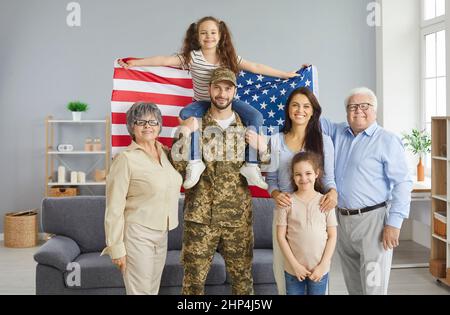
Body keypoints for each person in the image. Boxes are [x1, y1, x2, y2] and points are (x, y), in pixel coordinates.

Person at [118, 16, 300, 190]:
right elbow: (164, 60)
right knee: (186, 117)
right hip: (202, 102)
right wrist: (136, 63)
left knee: (256, 116)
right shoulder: (193, 57)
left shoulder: (229, 57)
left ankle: (251, 164)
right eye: (204, 33)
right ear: (197, 36)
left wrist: (285, 74)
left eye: (213, 32)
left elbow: (256, 67)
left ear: (220, 36)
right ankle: (195, 162)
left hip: (227, 100)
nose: (209, 36)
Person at [171, 67, 267, 295]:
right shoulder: (195, 124)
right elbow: (176, 165)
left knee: (243, 283)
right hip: (200, 219)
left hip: (238, 220)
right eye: (217, 88)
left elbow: (272, 169)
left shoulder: (249, 127)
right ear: (209, 89)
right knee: (192, 284)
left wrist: (264, 149)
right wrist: (183, 134)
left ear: (234, 91)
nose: (222, 94)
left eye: (227, 88)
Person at [321, 87, 413, 295]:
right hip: (342, 221)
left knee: (373, 286)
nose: (358, 110)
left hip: (374, 223)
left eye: (365, 106)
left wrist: (394, 223)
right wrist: (303, 76)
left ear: (375, 111)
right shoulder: (337, 133)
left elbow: (402, 183)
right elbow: (311, 115)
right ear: (346, 112)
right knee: (354, 286)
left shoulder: (387, 140)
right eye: (353, 106)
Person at [101, 102, 182, 295]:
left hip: (162, 233)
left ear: (159, 125)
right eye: (141, 121)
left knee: (152, 290)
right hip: (137, 234)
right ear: (132, 127)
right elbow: (114, 207)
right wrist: (116, 247)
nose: (148, 126)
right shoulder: (125, 159)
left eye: (153, 121)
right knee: (140, 292)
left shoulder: (166, 153)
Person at [265, 87, 337, 295]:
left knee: (318, 279)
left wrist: (333, 193)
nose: (300, 110)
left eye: (306, 106)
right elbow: (271, 181)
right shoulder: (276, 141)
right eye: (295, 105)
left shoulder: (324, 142)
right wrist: (277, 195)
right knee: (285, 277)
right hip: (286, 214)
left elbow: (330, 180)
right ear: (288, 109)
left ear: (313, 111)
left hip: (316, 213)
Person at [276, 152, 337, 295]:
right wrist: (295, 266)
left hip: (319, 270)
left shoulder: (326, 202)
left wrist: (322, 266)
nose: (303, 178)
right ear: (293, 176)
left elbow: (332, 236)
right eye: (298, 174)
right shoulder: (286, 202)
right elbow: (281, 237)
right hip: (293, 270)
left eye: (308, 173)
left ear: (317, 173)